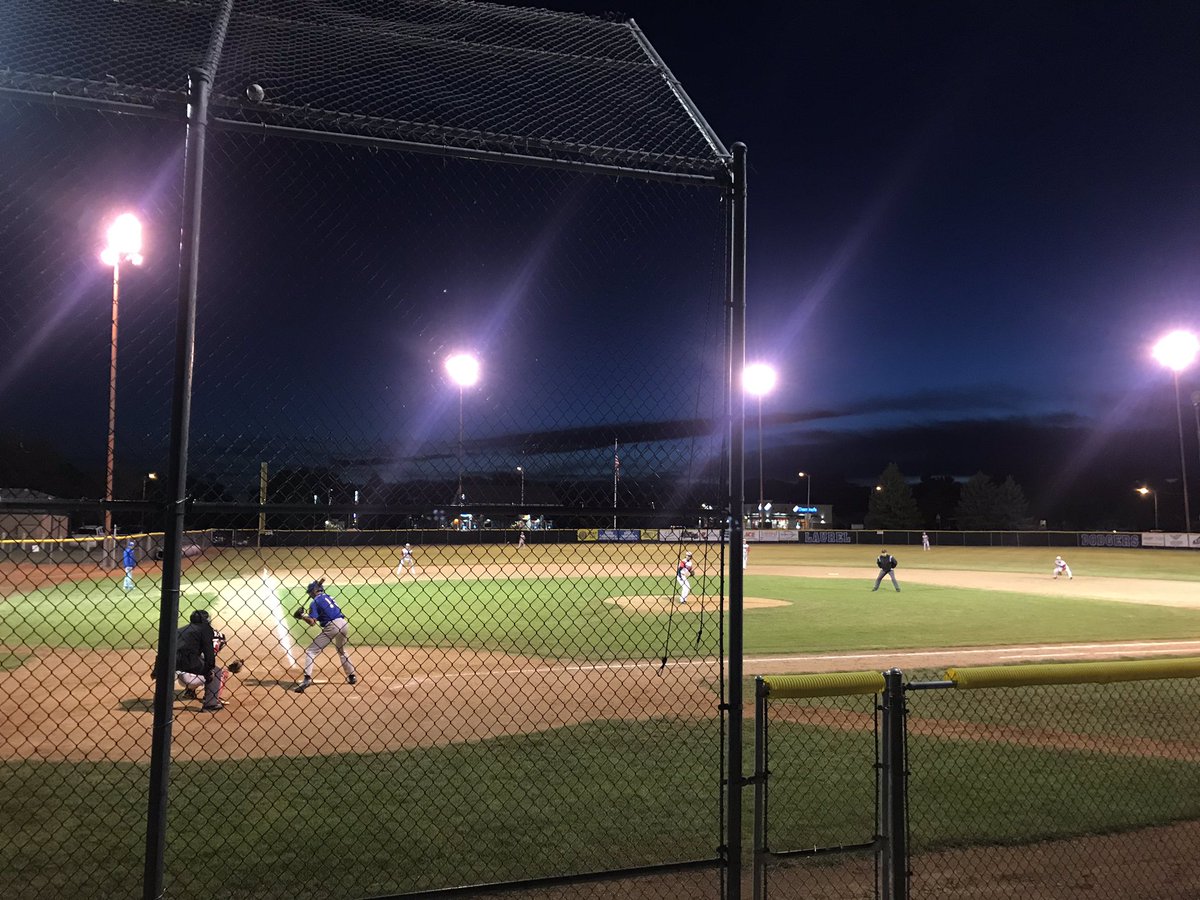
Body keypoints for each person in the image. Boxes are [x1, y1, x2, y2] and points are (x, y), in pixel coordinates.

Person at [293, 579, 357, 692]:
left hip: (332, 626)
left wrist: (302, 615)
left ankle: (307, 679)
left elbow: (312, 622)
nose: (310, 595)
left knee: (311, 651)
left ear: (313, 591)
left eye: (310, 593)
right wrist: (305, 615)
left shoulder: (314, 602)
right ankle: (352, 676)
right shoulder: (329, 597)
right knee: (341, 650)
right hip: (344, 624)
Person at [164, 609, 227, 712]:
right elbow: (209, 655)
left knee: (173, 666)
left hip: (174, 669)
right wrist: (209, 669)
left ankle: (162, 703)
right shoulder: (209, 631)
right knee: (217, 671)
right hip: (193, 668)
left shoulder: (179, 630)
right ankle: (211, 704)